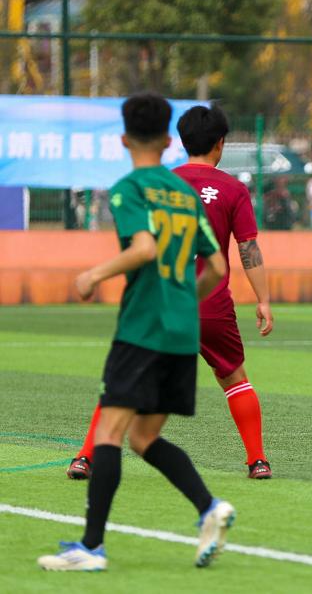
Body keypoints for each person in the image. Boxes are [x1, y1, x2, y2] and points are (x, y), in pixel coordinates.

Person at [39, 93, 235, 571]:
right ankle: (210, 508)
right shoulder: (184, 193)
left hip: (143, 327)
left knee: (108, 431)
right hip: (180, 332)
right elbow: (216, 265)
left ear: (124, 138)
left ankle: (91, 548)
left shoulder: (129, 188)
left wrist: (93, 275)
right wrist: (185, 298)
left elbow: (144, 248)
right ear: (169, 140)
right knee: (144, 439)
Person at [66, 104, 276, 481]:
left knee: (123, 382)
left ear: (179, 142)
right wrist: (263, 299)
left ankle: (85, 457)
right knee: (235, 378)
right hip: (209, 302)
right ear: (221, 144)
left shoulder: (161, 184)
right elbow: (248, 248)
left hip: (159, 301)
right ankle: (257, 460)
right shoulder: (233, 189)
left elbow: (140, 243)